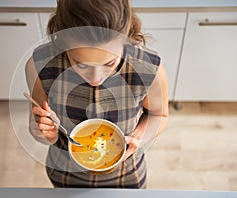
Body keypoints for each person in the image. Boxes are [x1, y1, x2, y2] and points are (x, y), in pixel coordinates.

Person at [25, 0, 168, 188]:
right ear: (62, 39)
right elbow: (38, 126)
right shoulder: (39, 66)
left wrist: (140, 136)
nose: (95, 78)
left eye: (109, 63)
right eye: (81, 64)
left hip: (126, 178)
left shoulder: (148, 69)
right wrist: (43, 133)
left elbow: (159, 114)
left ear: (126, 38)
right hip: (65, 175)